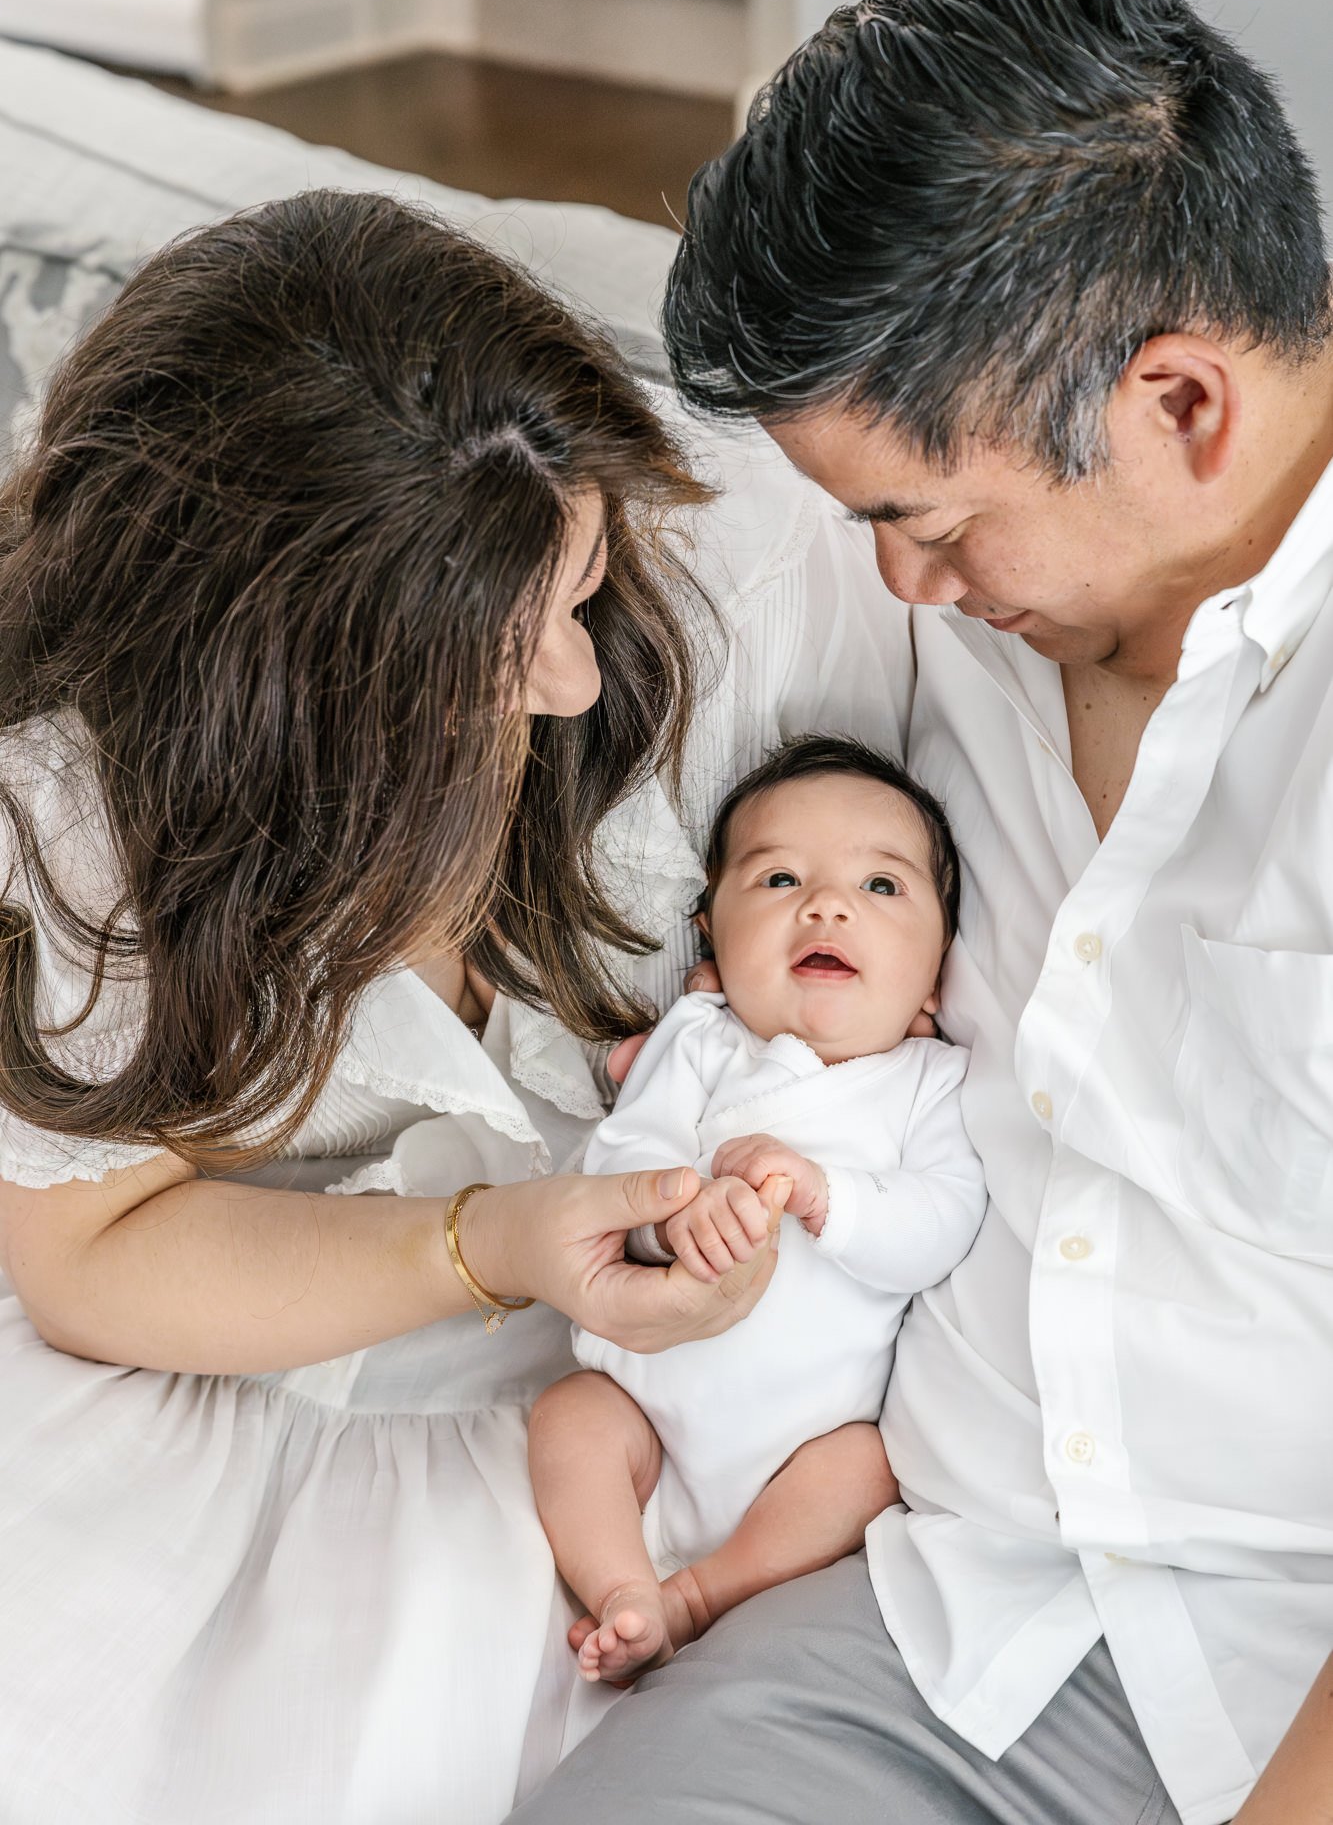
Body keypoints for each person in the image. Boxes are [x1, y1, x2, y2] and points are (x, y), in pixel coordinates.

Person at [509, 0, 1333, 1825]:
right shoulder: (960, 637)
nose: (901, 580)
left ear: (1179, 408)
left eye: (929, 519)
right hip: (960, 1613)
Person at [0, 186, 905, 1825]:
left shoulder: (737, 586)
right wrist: (485, 1244)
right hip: (239, 1351)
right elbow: (92, 1257)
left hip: (606, 1433)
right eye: (513, 651)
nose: (573, 679)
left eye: (577, 582)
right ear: (282, 732)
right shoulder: (66, 820)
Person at [528, 735, 985, 1683]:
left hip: (801, 1448)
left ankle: (699, 1597)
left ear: (937, 973)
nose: (825, 904)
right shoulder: (700, 1039)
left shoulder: (926, 1084)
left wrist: (827, 1197)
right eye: (778, 878)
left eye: (882, 888)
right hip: (641, 1405)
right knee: (571, 1416)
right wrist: (667, 1216)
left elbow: (941, 1225)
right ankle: (620, 1583)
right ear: (712, 934)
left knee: (867, 1469)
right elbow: (620, 1155)